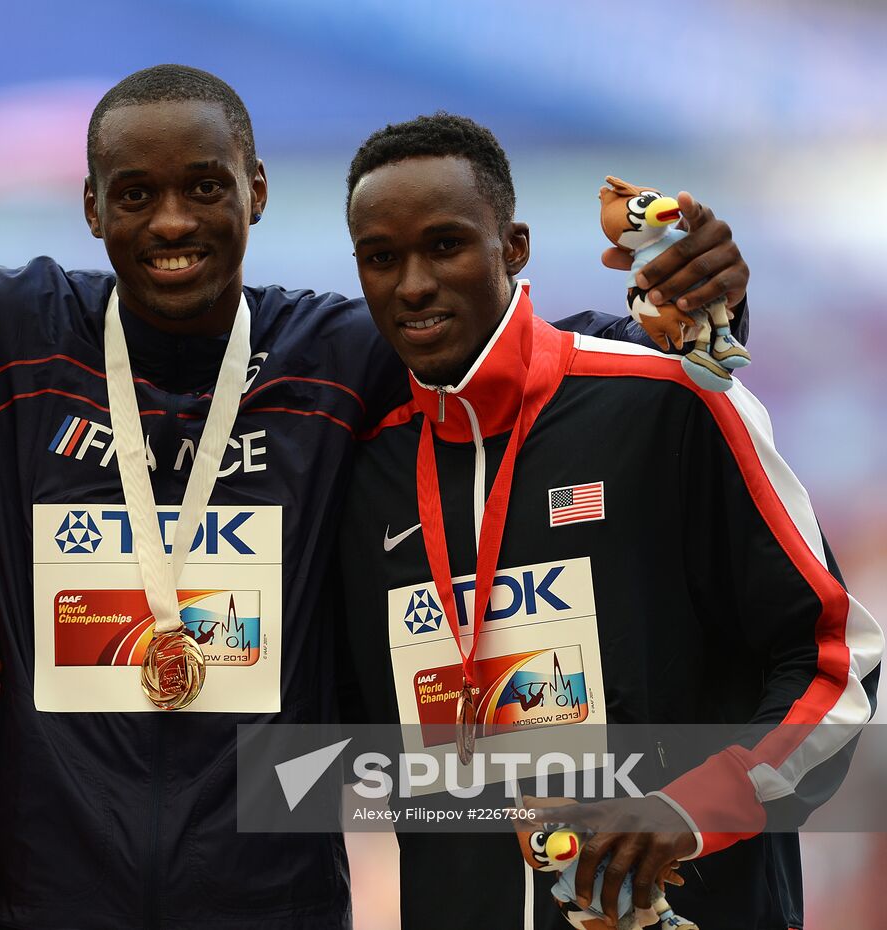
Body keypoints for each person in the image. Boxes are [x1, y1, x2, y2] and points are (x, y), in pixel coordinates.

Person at [0, 66, 753, 930]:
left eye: (204, 187)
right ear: (91, 205)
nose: (173, 222)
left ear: (255, 193)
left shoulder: (332, 352)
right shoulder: (7, 326)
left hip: (268, 894)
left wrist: (696, 313)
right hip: (46, 893)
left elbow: (497, 339)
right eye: (137, 194)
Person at [335, 112, 882, 929]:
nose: (413, 284)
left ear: (513, 247)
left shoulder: (667, 398)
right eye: (382, 259)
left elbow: (837, 661)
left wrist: (690, 812)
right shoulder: (365, 471)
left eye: (445, 245)